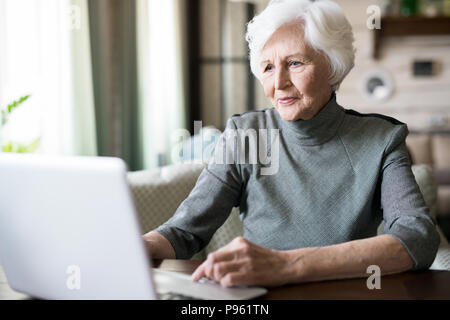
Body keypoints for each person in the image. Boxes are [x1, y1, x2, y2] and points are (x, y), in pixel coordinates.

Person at [143, 0, 440, 288]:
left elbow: (417, 237)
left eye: (295, 63)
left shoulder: (382, 139)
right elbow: (184, 231)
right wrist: (140, 246)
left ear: (333, 67)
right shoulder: (245, 135)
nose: (279, 82)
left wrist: (286, 265)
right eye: (268, 68)